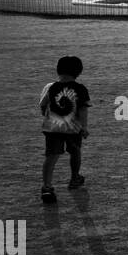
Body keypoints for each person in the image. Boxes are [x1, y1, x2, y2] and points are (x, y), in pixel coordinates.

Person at [38, 55, 90, 204]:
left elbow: (43, 105)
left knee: (51, 157)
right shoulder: (80, 89)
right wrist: (84, 127)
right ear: (78, 72)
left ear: (58, 70)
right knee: (75, 152)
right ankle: (74, 177)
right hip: (73, 129)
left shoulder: (51, 87)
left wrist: (44, 114)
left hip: (52, 129)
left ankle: (47, 186)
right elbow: (83, 110)